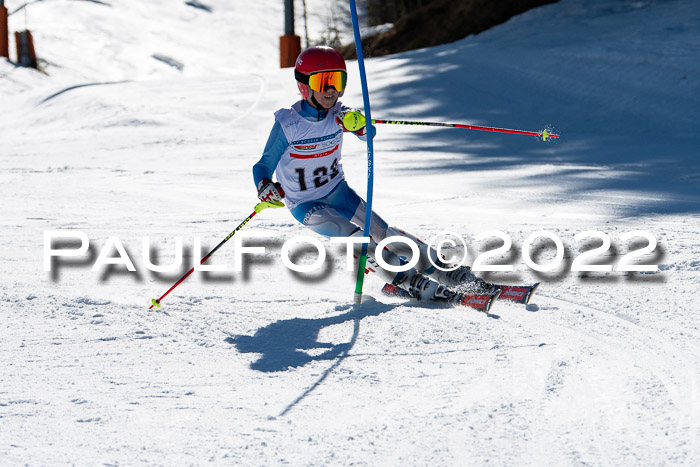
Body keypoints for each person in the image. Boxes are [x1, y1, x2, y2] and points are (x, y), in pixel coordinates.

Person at [253, 46, 495, 302]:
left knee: (385, 232)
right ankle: (408, 280)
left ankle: (449, 273)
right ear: (304, 85)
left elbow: (369, 134)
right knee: (356, 238)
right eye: (323, 81)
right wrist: (264, 186)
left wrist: (360, 127)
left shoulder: (339, 114)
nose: (331, 90)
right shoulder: (288, 124)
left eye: (337, 80)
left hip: (339, 193)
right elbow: (262, 166)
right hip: (305, 205)